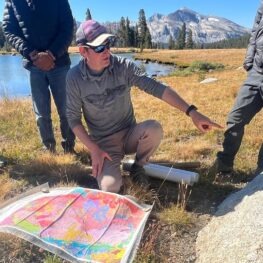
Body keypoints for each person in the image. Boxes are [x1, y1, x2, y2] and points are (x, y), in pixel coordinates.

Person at [66, 20, 221, 193]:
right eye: (99, 48)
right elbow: (73, 120)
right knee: (110, 188)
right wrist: (94, 149)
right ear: (83, 51)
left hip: (130, 133)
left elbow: (157, 87)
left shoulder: (123, 67)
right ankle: (112, 169)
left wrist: (192, 112)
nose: (107, 51)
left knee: (154, 129)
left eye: (108, 44)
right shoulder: (74, 78)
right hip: (104, 144)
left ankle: (138, 167)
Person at [2, 0, 75, 153]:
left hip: (59, 63)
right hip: (33, 64)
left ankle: (69, 147)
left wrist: (52, 54)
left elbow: (67, 26)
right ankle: (49, 149)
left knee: (67, 109)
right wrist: (31, 54)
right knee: (41, 113)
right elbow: (9, 29)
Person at [213, 0, 263, 181]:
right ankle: (224, 168)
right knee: (235, 118)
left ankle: (260, 175)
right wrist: (249, 60)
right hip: (256, 73)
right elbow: (255, 32)